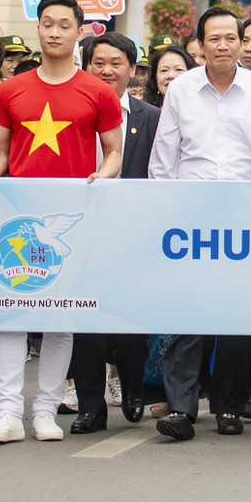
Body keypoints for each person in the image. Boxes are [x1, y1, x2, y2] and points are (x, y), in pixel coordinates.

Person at [0, 0, 121, 444]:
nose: (54, 32)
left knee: (61, 317)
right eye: (47, 23)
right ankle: (7, 412)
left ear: (80, 32)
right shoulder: (11, 89)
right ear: (37, 28)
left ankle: (45, 411)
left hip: (71, 219)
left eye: (63, 25)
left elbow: (114, 152)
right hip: (16, 219)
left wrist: (101, 177)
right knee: (11, 314)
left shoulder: (98, 91)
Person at [149, 7, 251, 440]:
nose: (223, 46)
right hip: (190, 214)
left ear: (241, 43)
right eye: (214, 39)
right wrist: (166, 213)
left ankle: (228, 406)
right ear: (201, 45)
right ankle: (182, 408)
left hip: (245, 216)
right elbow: (164, 157)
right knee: (187, 313)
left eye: (231, 38)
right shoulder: (181, 89)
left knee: (235, 317)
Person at [68, 30, 159, 434]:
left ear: (132, 69)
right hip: (80, 227)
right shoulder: (70, 111)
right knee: (85, 322)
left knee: (130, 322)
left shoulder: (150, 117)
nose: (106, 71)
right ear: (86, 66)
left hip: (134, 231)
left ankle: (134, 385)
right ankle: (91, 406)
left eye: (116, 64)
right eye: (98, 63)